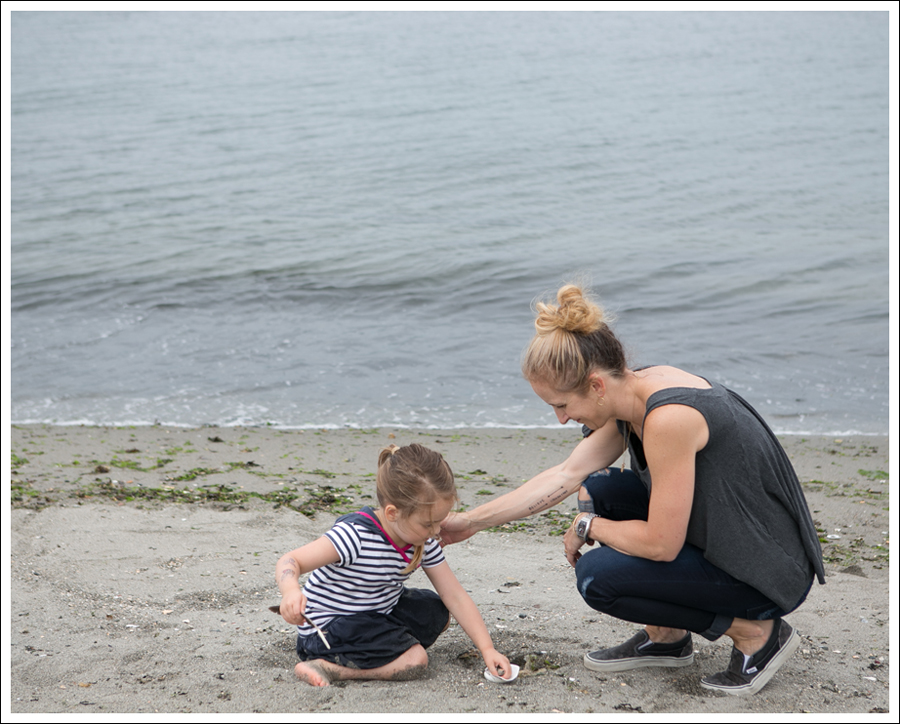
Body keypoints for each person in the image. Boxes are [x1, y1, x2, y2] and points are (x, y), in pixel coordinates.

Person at [440, 283, 825, 696]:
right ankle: (666, 637)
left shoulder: (668, 418)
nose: (560, 419)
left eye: (562, 405)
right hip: (732, 534)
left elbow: (662, 545)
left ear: (596, 386)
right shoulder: (634, 392)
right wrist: (469, 522)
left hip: (766, 570)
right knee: (601, 487)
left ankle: (756, 634)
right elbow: (566, 475)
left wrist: (589, 525)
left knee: (597, 578)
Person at [276, 443, 512, 687]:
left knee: (437, 612)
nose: (436, 531)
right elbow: (290, 561)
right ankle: (327, 666)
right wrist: (291, 591)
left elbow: (455, 595)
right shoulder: (355, 535)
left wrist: (487, 649)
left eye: (439, 521)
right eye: (428, 523)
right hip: (328, 629)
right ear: (392, 513)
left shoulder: (423, 540)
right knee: (415, 660)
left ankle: (376, 648)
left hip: (375, 612)